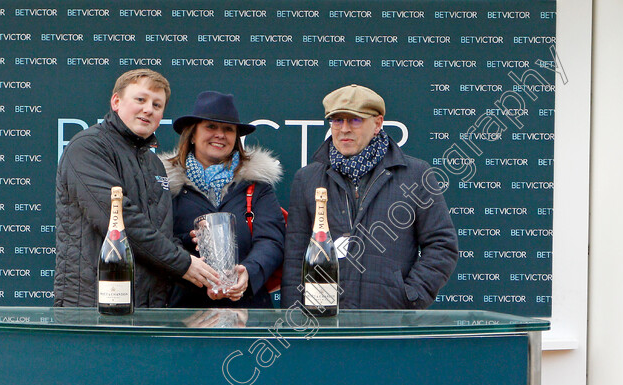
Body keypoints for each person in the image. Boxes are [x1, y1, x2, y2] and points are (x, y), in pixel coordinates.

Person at [281, 84, 458, 310]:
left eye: (355, 120)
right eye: (337, 120)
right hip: (323, 324)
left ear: (378, 123)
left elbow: (442, 245)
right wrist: (295, 315)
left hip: (390, 325)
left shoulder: (416, 175)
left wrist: (410, 296)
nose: (344, 129)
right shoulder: (306, 179)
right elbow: (295, 255)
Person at [54, 69, 219, 307]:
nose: (149, 109)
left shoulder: (154, 164)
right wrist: (184, 264)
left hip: (148, 309)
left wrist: (206, 271)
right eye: (140, 100)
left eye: (157, 104)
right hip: (94, 309)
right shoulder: (87, 148)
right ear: (116, 101)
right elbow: (121, 221)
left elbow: (159, 234)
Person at [161, 91, 286, 307]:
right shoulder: (166, 185)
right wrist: (187, 242)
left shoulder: (256, 185)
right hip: (185, 312)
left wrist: (249, 271)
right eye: (210, 127)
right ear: (192, 135)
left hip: (248, 310)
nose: (220, 134)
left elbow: (272, 240)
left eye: (228, 129)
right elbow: (156, 243)